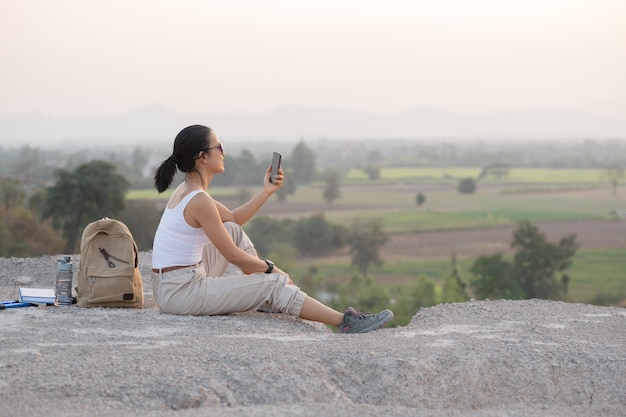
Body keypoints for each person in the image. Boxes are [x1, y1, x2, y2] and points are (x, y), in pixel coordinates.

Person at [151, 124, 393, 333]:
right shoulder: (199, 200)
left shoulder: (189, 190)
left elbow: (233, 218)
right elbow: (233, 256)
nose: (224, 153)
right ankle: (345, 322)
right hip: (182, 293)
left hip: (173, 286)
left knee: (232, 230)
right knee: (273, 283)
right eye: (220, 148)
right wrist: (270, 270)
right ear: (202, 156)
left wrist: (266, 191)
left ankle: (266, 296)